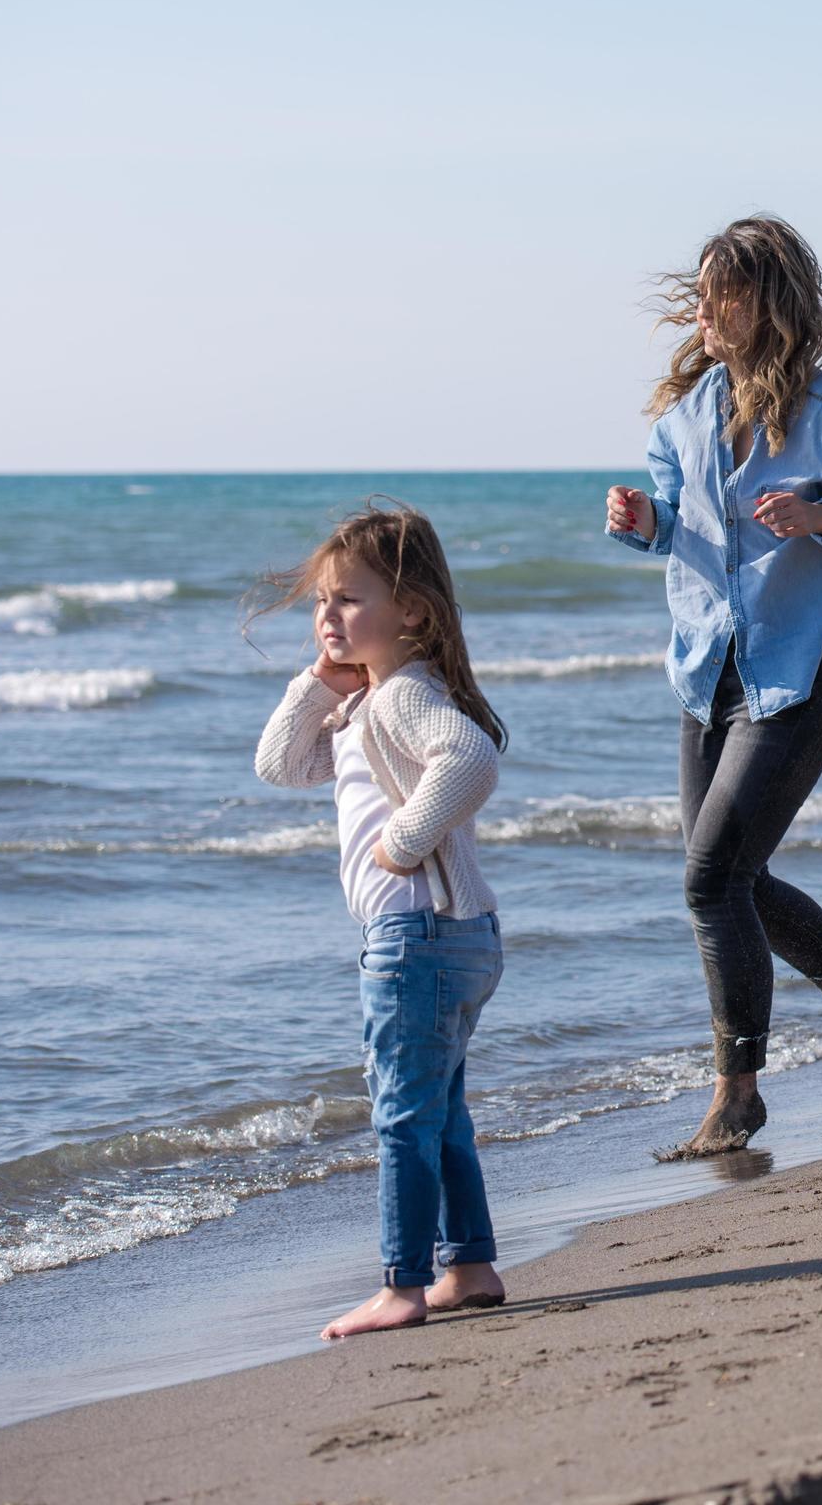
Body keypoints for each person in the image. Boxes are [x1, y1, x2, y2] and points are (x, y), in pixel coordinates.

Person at [607, 214, 822, 1157]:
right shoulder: (685, 414)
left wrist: (821, 513)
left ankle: (736, 1096)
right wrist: (640, 520)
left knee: (711, 880)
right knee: (727, 878)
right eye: (700, 294)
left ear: (769, 302)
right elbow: (677, 529)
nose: (705, 311)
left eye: (724, 294)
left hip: (796, 676)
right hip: (707, 676)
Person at [251, 501, 510, 1340]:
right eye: (321, 602)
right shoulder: (374, 699)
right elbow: (281, 765)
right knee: (440, 1113)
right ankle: (467, 1266)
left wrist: (403, 842)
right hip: (452, 935)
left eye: (348, 600)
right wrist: (320, 682)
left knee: (402, 1114)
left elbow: (469, 757)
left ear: (412, 611)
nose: (327, 616)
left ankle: (402, 1284)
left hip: (415, 934)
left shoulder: (402, 697)